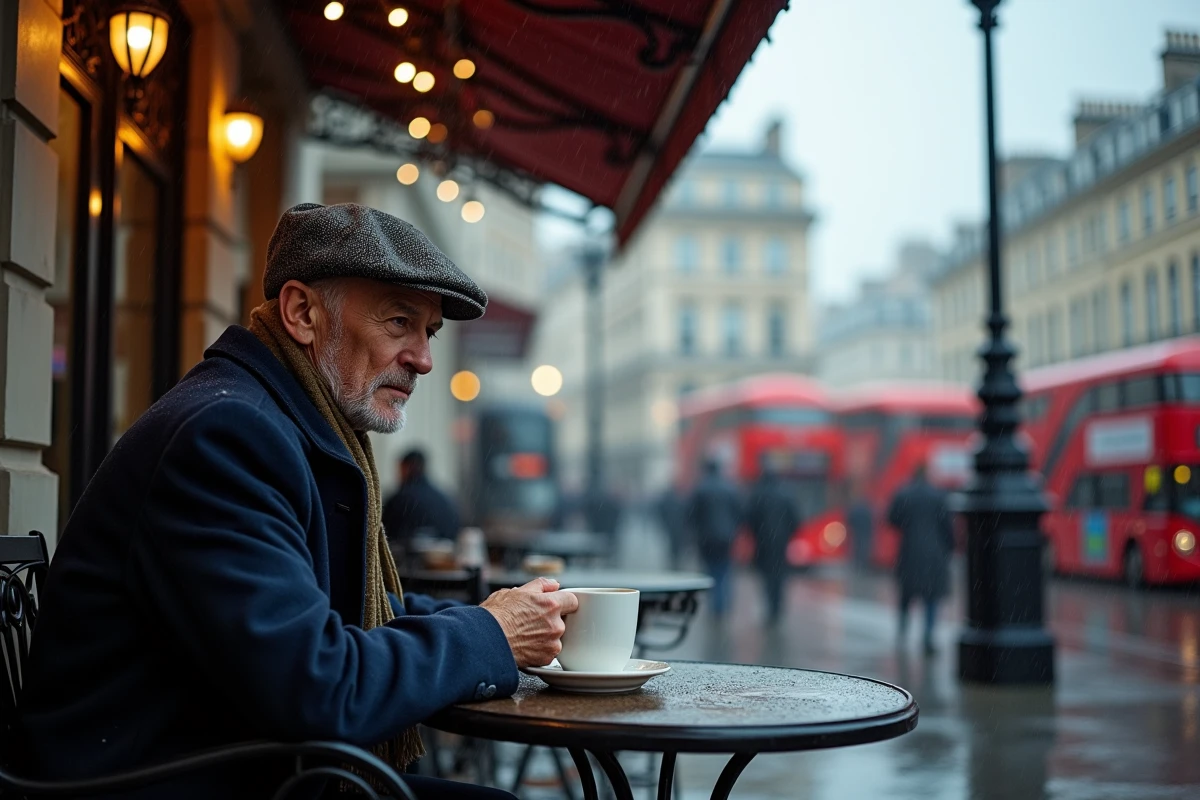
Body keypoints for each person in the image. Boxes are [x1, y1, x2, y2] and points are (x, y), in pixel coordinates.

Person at [19, 203, 580, 800]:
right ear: (302, 312)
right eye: (399, 323)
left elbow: (343, 611)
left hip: (238, 766)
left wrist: (491, 615)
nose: (424, 358)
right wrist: (490, 633)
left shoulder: (280, 420)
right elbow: (318, 689)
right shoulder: (228, 436)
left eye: (429, 331)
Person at [887, 463, 955, 655]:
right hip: (935, 555)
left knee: (906, 596)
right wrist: (949, 548)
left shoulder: (903, 494)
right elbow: (948, 528)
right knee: (931, 598)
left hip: (909, 552)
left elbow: (891, 519)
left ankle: (902, 635)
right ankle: (928, 636)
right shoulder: (939, 496)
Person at [744, 463, 802, 625]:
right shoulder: (787, 495)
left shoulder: (758, 494)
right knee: (780, 576)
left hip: (763, 542)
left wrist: (757, 534)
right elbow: (796, 519)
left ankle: (770, 607)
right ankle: (778, 607)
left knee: (766, 576)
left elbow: (750, 519)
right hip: (781, 542)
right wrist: (788, 534)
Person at [686, 458, 742, 619]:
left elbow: (691, 516)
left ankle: (716, 606)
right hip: (726, 538)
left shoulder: (700, 489)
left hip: (706, 539)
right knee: (725, 570)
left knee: (710, 571)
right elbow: (738, 513)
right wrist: (732, 530)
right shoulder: (730, 488)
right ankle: (724, 603)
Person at [383, 449, 462, 547]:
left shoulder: (398, 500)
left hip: (404, 560)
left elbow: (384, 537)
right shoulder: (445, 499)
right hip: (445, 559)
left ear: (406, 468)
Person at [654, 481, 689, 570]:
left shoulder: (667, 500)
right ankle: (676, 560)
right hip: (677, 526)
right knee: (677, 545)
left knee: (673, 544)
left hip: (671, 526)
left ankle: (674, 560)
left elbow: (661, 512)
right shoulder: (680, 500)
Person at [847, 485, 875, 572]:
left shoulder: (855, 508)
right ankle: (863, 564)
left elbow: (850, 518)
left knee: (857, 547)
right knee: (864, 547)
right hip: (865, 531)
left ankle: (858, 564)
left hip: (857, 531)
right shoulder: (867, 509)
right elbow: (871, 519)